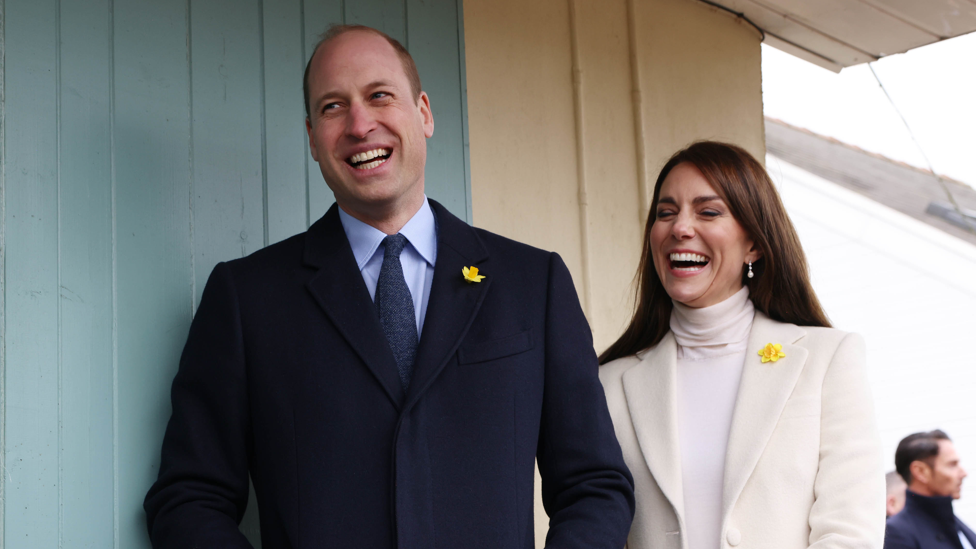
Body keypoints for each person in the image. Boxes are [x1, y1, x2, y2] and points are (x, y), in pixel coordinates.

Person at [143, 24, 634, 549]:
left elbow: (593, 487)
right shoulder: (246, 298)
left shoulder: (534, 285)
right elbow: (188, 498)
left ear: (423, 112)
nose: (359, 124)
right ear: (312, 137)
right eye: (333, 107)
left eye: (379, 95)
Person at [598, 141, 886, 549]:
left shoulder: (827, 360)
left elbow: (850, 532)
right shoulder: (609, 383)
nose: (680, 227)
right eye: (666, 213)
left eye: (708, 211)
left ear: (754, 243)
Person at [884, 430, 973, 549]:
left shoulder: (953, 523)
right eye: (952, 465)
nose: (963, 473)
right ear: (920, 471)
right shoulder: (897, 533)